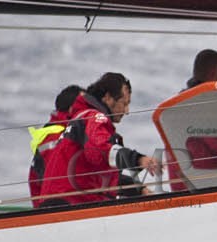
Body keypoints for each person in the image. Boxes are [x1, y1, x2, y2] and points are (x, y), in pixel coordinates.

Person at [38, 72, 161, 206]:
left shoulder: (83, 117)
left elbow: (104, 176)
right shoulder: (93, 117)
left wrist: (139, 189)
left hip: (62, 202)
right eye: (123, 103)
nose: (127, 111)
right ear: (108, 98)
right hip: (70, 204)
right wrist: (138, 159)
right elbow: (99, 150)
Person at [27, 85, 82, 208]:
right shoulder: (59, 138)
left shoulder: (52, 133)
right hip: (59, 210)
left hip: (47, 209)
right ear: (72, 109)